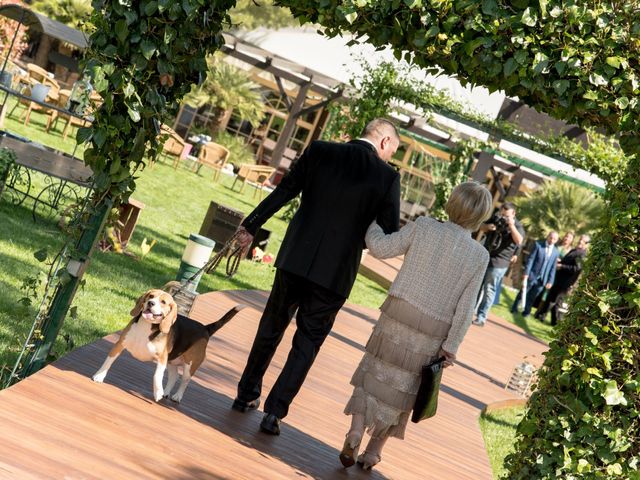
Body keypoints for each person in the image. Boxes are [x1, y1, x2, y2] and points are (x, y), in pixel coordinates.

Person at [231, 118, 402, 436]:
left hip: (296, 257)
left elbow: (284, 191)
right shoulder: (388, 177)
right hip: (335, 273)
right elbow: (387, 231)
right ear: (384, 142)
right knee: (307, 344)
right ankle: (274, 413)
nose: (392, 155)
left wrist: (251, 226)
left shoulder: (320, 150)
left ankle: (245, 394)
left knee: (271, 327)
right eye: (394, 148)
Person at [339, 182, 493, 470]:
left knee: (374, 370)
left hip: (398, 311)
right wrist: (451, 347)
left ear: (453, 203)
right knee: (405, 387)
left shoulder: (424, 226)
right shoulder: (479, 255)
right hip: (434, 329)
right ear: (481, 216)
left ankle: (356, 430)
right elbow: (466, 307)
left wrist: (372, 222)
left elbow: (382, 248)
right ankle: (373, 452)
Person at [472, 202, 525, 326]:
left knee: (489, 289)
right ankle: (469, 312)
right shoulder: (496, 218)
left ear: (513, 214)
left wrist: (511, 225)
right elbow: (481, 227)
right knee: (476, 286)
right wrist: (488, 227)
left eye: (506, 215)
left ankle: (481, 317)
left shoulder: (517, 226)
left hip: (499, 262)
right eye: (502, 214)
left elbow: (519, 241)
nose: (503, 217)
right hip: (486, 256)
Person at [535, 234, 590, 325]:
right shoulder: (574, 250)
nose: (580, 241)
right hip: (559, 279)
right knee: (552, 299)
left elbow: (576, 268)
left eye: (583, 241)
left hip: (566, 282)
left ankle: (556, 322)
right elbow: (567, 262)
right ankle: (544, 317)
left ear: (586, 244)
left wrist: (561, 266)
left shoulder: (582, 254)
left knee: (556, 302)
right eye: (580, 239)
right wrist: (560, 262)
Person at [511, 231, 560, 318]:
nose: (552, 240)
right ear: (548, 236)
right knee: (523, 292)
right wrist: (526, 273)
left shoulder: (556, 252)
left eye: (554, 239)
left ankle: (526, 312)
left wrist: (550, 281)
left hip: (543, 279)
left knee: (533, 296)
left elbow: (553, 268)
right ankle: (514, 308)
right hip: (532, 275)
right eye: (551, 237)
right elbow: (531, 260)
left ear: (556, 240)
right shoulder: (538, 245)